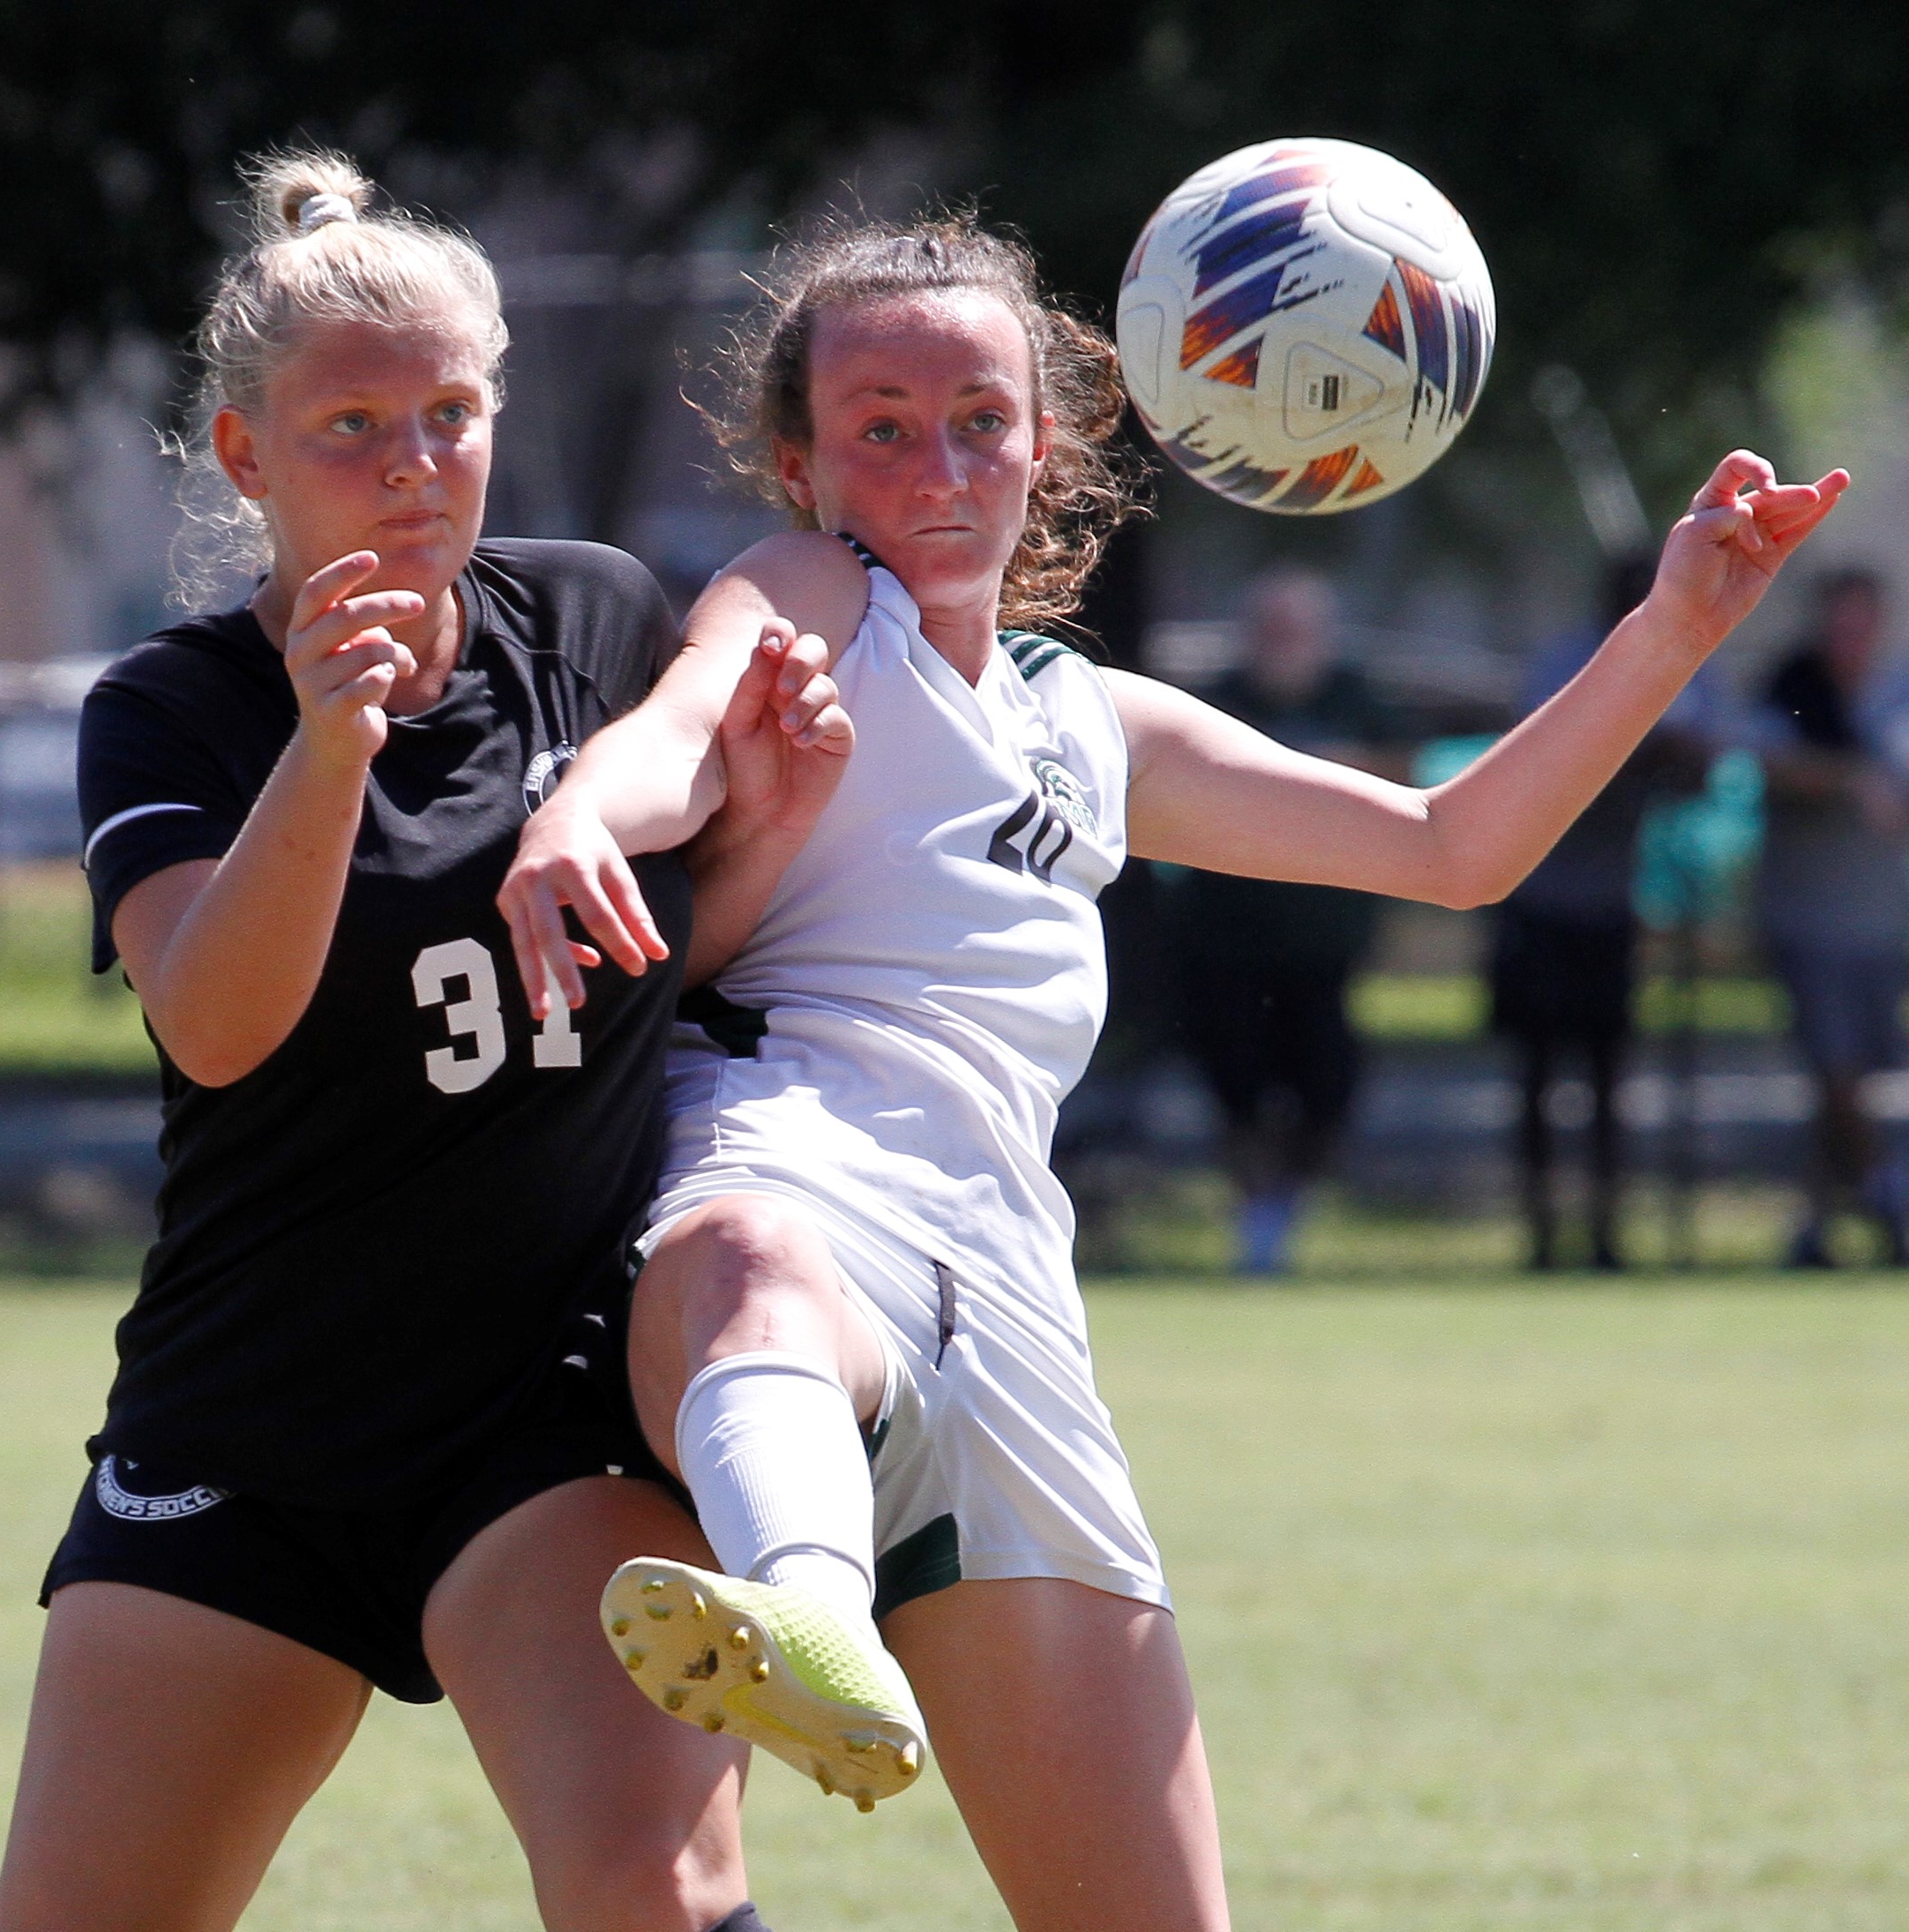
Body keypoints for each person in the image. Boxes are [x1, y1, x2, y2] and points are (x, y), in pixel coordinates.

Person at [498, 213, 1845, 1932]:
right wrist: (573, 820)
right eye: (881, 423)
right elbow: (676, 731)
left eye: (980, 417)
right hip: (784, 1160)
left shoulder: (1097, 722)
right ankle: (804, 1611)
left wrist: (1676, 623)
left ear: (1043, 444)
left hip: (1005, 1289)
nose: (937, 461)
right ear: (801, 464)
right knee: (747, 1267)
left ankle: (817, 1600)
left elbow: (1451, 848)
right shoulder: (816, 597)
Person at [0, 151, 848, 1932]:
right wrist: (329, 745)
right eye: (351, 426)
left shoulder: (596, 625)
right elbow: (219, 1030)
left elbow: (668, 976)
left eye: (451, 416)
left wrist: (766, 821)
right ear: (246, 458)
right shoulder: (174, 711)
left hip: (539, 1426)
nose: (413, 467)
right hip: (252, 1425)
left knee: (657, 1894)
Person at [1164, 566, 1408, 1273]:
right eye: (1270, 629)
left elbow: (1405, 771)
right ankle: (1255, 1221)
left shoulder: (1355, 699)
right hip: (1226, 940)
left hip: (1322, 945)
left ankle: (1284, 1209)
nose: (1282, 644)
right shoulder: (1218, 701)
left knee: (1327, 1086)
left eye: (1295, 629)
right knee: (1236, 1085)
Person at [1488, 555, 1714, 1269]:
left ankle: (1606, 1230)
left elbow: (1695, 768)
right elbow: (1547, 760)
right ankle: (1542, 1232)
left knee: (1609, 1076)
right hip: (1540, 900)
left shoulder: (1680, 669)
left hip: (1609, 905)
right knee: (1537, 1073)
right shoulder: (1565, 662)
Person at [1754, 567, 1909, 1265]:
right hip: (1807, 919)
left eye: (1861, 623)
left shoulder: (1893, 696)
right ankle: (1888, 1193)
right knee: (1833, 1068)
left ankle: (1814, 1227)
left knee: (1849, 1078)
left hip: (1880, 920)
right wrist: (1852, 779)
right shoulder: (1791, 691)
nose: (1850, 638)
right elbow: (1769, 763)